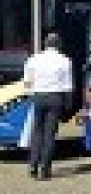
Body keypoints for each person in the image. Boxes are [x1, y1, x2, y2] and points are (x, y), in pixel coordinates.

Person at [22, 32, 73, 180]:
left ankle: (32, 165)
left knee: (37, 132)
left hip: (38, 96)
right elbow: (68, 86)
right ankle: (45, 168)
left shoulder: (33, 59)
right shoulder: (65, 60)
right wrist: (68, 104)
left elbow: (27, 82)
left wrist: (31, 95)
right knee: (49, 134)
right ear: (59, 45)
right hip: (55, 97)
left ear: (45, 44)